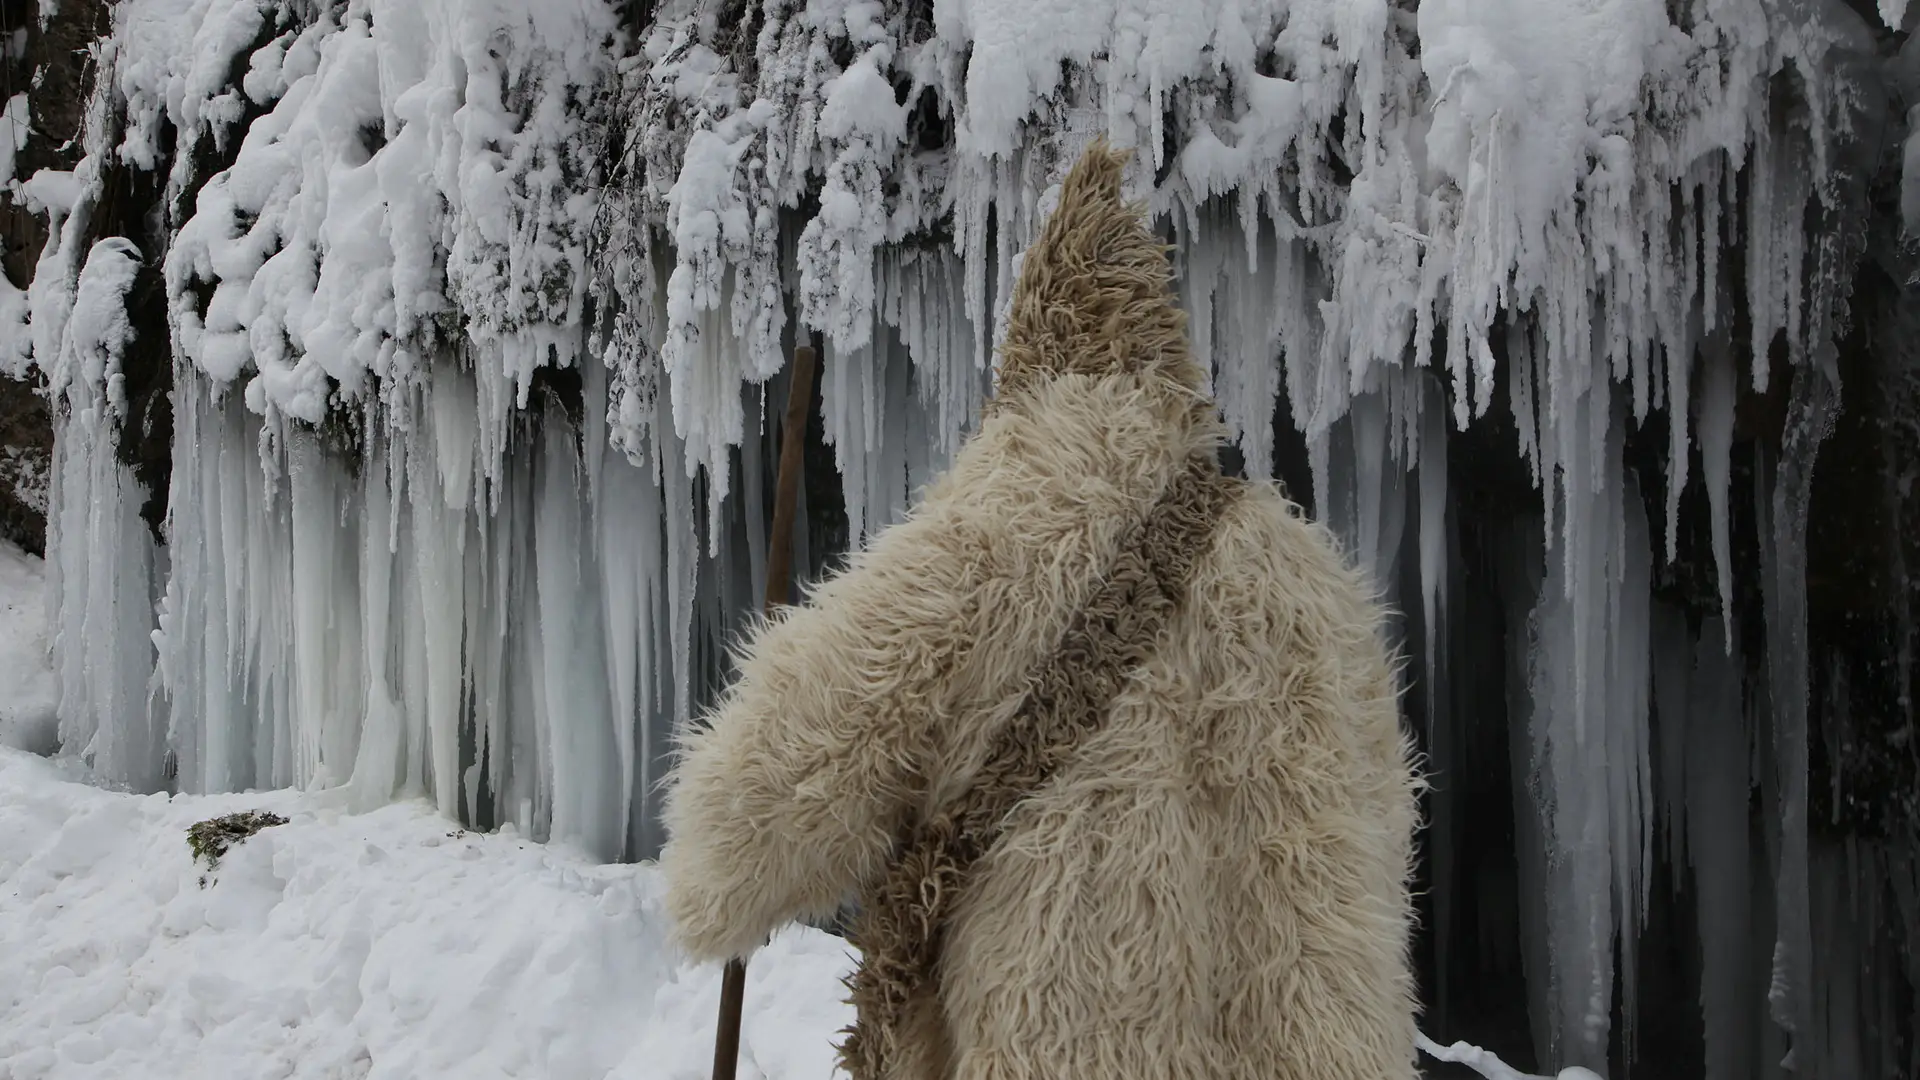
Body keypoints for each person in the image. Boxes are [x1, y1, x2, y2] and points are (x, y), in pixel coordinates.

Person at [659, 139, 1420, 1080]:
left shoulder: (988, 533)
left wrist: (715, 882)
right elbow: (1382, 834)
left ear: (1034, 349)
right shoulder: (1310, 578)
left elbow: (788, 768)